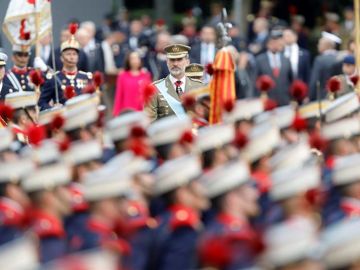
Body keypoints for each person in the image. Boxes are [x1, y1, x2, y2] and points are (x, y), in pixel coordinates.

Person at [38, 26, 93, 110]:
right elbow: (41, 102)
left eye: (74, 54)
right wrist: (52, 108)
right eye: (68, 54)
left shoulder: (86, 77)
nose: (71, 57)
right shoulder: (54, 79)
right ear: (61, 58)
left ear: (78, 57)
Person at [144, 44, 204, 121]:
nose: (175, 64)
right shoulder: (155, 89)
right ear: (167, 62)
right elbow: (150, 123)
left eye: (179, 59)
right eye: (172, 60)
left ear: (187, 62)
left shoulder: (200, 87)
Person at [255, 29, 293, 105]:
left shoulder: (286, 59)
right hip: (267, 100)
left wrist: (292, 98)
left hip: (284, 99)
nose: (275, 45)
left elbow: (291, 80)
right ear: (267, 44)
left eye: (276, 42)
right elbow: (256, 80)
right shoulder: (260, 60)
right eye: (272, 42)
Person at [113, 51, 152, 116]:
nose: (135, 61)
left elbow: (149, 96)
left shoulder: (146, 75)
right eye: (132, 58)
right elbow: (119, 95)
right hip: (127, 112)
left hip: (142, 112)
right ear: (128, 61)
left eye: (137, 58)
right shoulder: (122, 76)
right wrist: (116, 113)